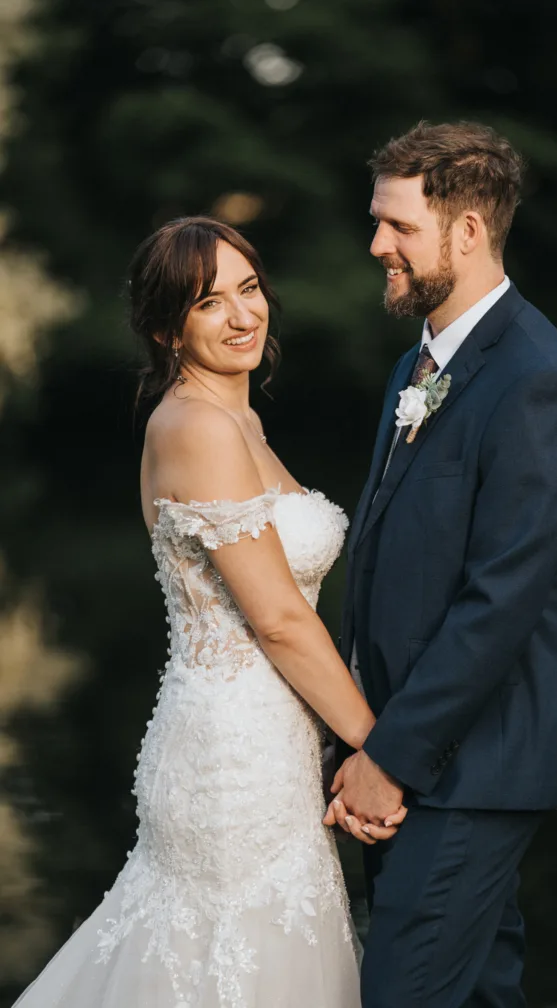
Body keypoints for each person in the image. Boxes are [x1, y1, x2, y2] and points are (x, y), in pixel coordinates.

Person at [11, 216, 406, 1008]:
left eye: (249, 289)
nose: (242, 316)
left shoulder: (238, 418)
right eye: (208, 304)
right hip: (232, 760)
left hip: (271, 741)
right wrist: (384, 749)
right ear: (166, 329)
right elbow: (281, 620)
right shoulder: (195, 427)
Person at [325, 121, 557, 1008]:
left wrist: (392, 756)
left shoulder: (537, 379)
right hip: (417, 753)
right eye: (379, 222)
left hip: (471, 762)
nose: (378, 245)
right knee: (481, 992)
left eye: (399, 227)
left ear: (469, 231)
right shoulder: (421, 365)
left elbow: (503, 598)